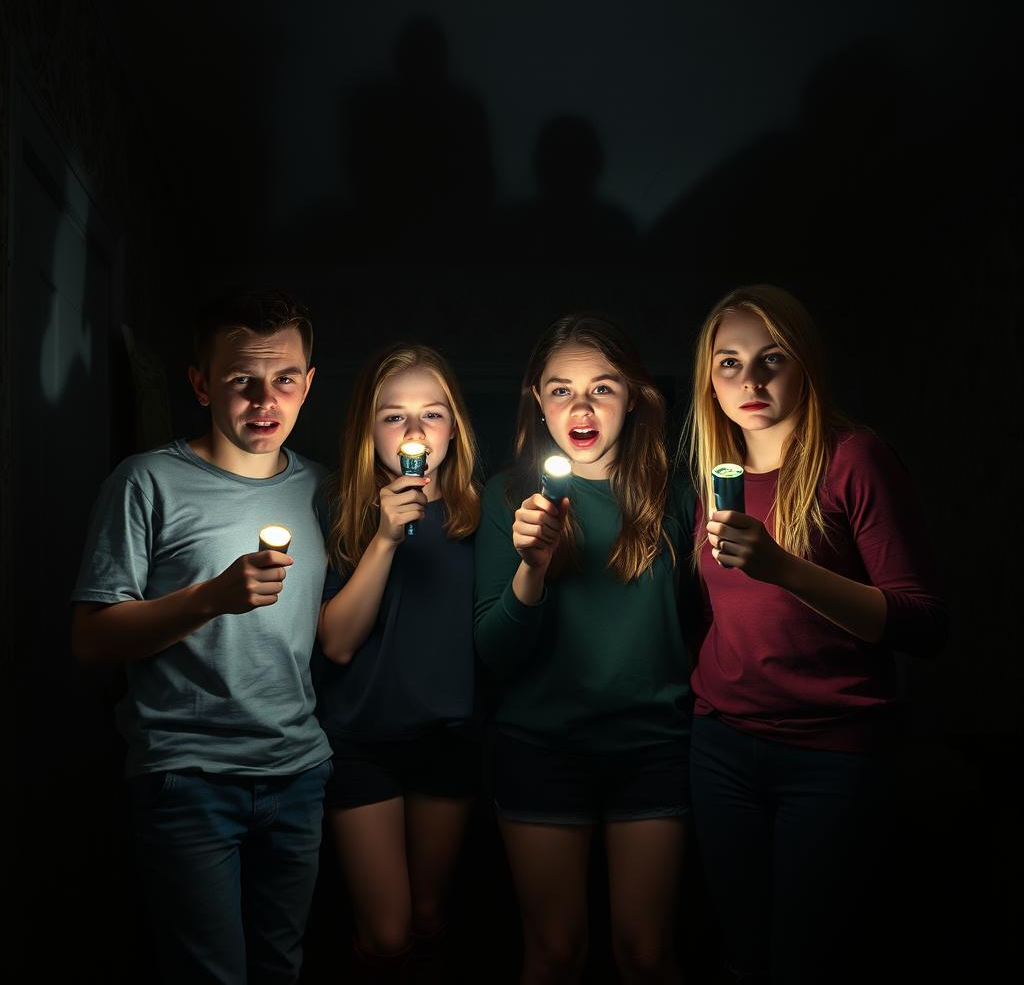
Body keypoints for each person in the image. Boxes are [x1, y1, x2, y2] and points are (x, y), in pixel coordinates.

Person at [684, 284, 947, 985]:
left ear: (804, 364)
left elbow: (922, 622)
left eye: (771, 358)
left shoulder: (853, 459)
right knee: (738, 954)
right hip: (721, 746)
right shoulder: (715, 477)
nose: (752, 380)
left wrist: (782, 567)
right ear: (709, 380)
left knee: (806, 960)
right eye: (730, 363)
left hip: (832, 755)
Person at [70, 289, 332, 984]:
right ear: (200, 383)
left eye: (283, 380)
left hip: (299, 772)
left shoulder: (325, 491)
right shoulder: (147, 482)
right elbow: (90, 638)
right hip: (186, 777)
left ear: (308, 385)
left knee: (281, 968)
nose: (263, 400)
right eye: (241, 379)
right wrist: (209, 599)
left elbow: (338, 632)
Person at [474, 313, 694, 985]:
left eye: (602, 388)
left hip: (654, 747)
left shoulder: (675, 497)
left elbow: (707, 625)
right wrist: (531, 567)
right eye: (562, 389)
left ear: (633, 396)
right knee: (555, 954)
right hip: (542, 748)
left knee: (647, 956)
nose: (582, 406)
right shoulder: (508, 496)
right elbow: (495, 654)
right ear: (538, 401)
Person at [315, 343, 481, 982]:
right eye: (394, 416)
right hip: (359, 741)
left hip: (448, 738)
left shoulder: (479, 515)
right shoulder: (338, 508)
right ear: (368, 428)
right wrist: (384, 538)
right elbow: (337, 642)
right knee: (385, 932)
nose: (414, 431)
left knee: (430, 914)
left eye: (432, 414)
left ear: (454, 427)